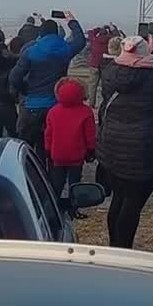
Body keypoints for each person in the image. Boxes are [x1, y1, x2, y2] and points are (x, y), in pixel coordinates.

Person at [97, 36, 153, 248]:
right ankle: (123, 250)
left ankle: (114, 244)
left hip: (113, 149)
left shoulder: (110, 73)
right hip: (143, 152)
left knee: (119, 199)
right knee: (133, 204)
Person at [9, 14, 86, 153]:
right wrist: (72, 21)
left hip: (32, 104)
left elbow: (14, 77)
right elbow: (81, 41)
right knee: (50, 146)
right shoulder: (65, 50)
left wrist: (24, 89)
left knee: (25, 148)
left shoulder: (30, 51)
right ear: (56, 33)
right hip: (55, 105)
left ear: (41, 33)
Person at [44, 77, 96, 213]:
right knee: (75, 183)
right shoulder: (86, 112)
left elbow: (48, 134)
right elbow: (90, 135)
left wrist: (48, 150)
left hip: (57, 155)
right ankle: (74, 208)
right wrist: (91, 150)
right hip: (76, 155)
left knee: (57, 183)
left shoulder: (53, 111)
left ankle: (54, 209)